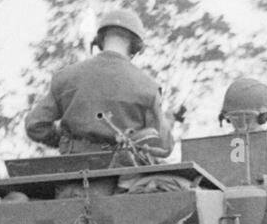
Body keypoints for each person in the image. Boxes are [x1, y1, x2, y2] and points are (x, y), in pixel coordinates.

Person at [26, 8, 171, 159]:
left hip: (71, 172)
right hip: (125, 175)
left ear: (100, 40)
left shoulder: (65, 77)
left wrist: (66, 143)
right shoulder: (149, 87)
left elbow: (34, 125)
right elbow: (164, 144)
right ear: (136, 46)